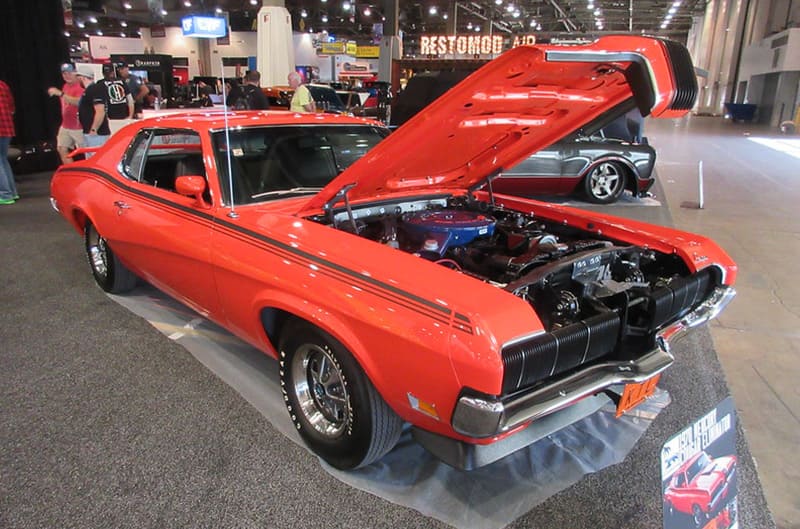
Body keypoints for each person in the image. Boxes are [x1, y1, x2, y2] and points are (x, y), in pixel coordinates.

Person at [47, 63, 86, 164]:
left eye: (69, 73)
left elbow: (78, 102)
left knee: (87, 152)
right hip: (66, 125)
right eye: (64, 73)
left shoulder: (81, 86)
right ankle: (72, 172)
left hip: (79, 127)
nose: (66, 76)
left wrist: (61, 94)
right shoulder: (65, 86)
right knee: (62, 149)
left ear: (76, 73)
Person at [78, 65, 112, 154]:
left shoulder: (95, 89)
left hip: (97, 134)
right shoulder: (88, 90)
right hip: (90, 133)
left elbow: (100, 111)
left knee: (97, 159)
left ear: (82, 77)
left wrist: (94, 129)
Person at [98, 63, 134, 135]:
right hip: (122, 117)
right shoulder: (122, 82)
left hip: (111, 118)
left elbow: (100, 103)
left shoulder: (100, 83)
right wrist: (130, 116)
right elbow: (130, 100)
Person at [0, 79, 19, 205]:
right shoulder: (2, 84)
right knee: (3, 159)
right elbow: (12, 107)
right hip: (7, 129)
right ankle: (12, 192)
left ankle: (5, 194)